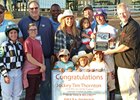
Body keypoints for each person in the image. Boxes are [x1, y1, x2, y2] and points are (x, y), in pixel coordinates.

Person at [18, 1, 54, 100]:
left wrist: (52, 54)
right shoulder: (22, 22)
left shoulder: (47, 21)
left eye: (36, 8)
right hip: (30, 62)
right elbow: (20, 40)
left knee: (45, 85)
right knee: (31, 89)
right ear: (28, 10)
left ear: (39, 8)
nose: (34, 10)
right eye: (32, 8)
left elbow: (51, 38)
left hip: (44, 59)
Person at [103, 3, 140, 100]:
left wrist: (110, 51)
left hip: (130, 66)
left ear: (129, 12)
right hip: (122, 66)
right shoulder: (123, 25)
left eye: (124, 13)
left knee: (132, 95)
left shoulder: (133, 26)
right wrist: (114, 39)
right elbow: (121, 39)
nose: (122, 15)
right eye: (120, 14)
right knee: (125, 94)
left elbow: (125, 46)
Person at [91, 8, 117, 100]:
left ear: (105, 17)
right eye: (97, 17)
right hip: (98, 58)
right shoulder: (95, 28)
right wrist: (93, 38)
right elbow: (91, 45)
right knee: (98, 79)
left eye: (101, 16)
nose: (99, 18)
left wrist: (112, 41)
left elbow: (114, 46)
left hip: (108, 56)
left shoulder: (111, 28)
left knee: (111, 80)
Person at [0, 24, 24, 100]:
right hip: (8, 72)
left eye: (15, 32)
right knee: (7, 95)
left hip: (18, 72)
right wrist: (5, 75)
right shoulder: (4, 45)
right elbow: (0, 61)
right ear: (8, 34)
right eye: (11, 33)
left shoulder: (20, 45)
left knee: (17, 94)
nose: (13, 34)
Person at [23, 23, 46, 100]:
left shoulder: (38, 41)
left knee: (35, 94)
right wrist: (41, 65)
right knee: (30, 95)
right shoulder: (27, 42)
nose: (33, 31)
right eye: (31, 29)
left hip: (38, 72)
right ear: (28, 31)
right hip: (31, 73)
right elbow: (29, 57)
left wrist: (43, 65)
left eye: (35, 29)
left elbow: (41, 54)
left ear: (37, 31)